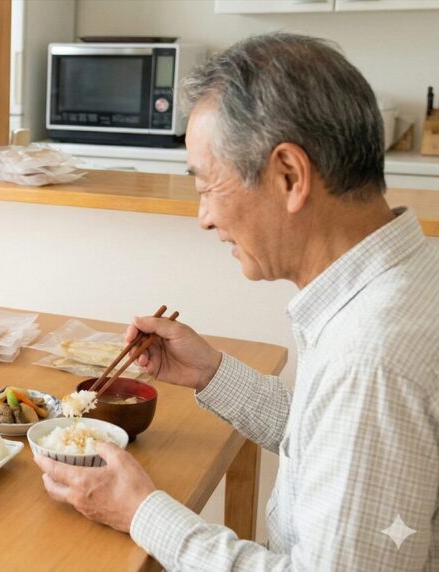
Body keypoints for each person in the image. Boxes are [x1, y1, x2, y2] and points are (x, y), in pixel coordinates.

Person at [34, 33, 439, 570]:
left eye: (206, 186)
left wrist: (140, 511)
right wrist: (212, 374)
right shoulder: (403, 278)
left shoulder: (370, 359)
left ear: (289, 176)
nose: (203, 217)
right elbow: (333, 441)